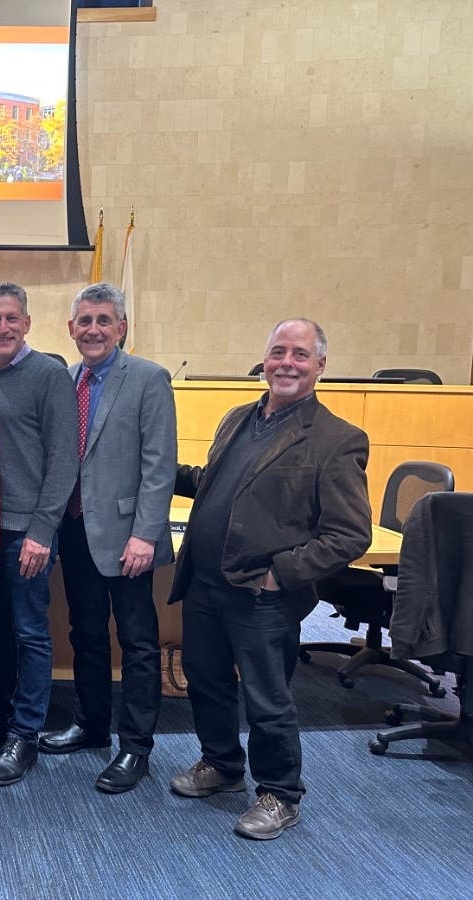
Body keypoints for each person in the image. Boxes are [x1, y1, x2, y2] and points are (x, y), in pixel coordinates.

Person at [168, 318, 372, 840]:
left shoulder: (336, 439)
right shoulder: (238, 418)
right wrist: (160, 471)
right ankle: (221, 764)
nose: (286, 363)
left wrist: (281, 575)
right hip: (206, 582)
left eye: (300, 354)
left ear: (320, 365)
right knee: (206, 680)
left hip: (262, 593)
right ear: (264, 360)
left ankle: (281, 793)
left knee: (266, 697)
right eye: (278, 352)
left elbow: (350, 534)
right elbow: (216, 484)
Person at [40, 283, 176, 794]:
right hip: (75, 530)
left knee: (137, 642)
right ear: (70, 329)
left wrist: (145, 534)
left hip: (127, 537)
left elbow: (159, 465)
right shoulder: (65, 379)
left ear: (121, 327)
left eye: (103, 320)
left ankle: (135, 746)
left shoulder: (148, 378)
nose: (93, 330)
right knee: (86, 634)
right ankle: (92, 724)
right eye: (85, 321)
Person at [0, 282, 78, 787]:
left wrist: (43, 531)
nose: (2, 327)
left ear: (26, 323)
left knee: (30, 633)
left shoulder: (49, 375)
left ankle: (25, 733)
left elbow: (63, 459)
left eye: (11, 318)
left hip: (28, 532)